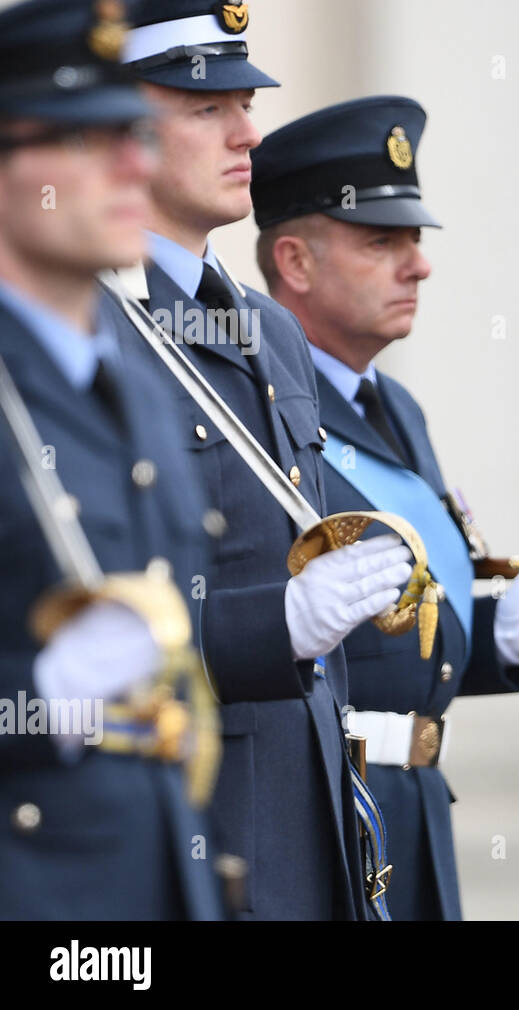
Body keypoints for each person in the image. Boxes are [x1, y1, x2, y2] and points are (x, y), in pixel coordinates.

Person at [249, 95, 519, 919]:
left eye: (416, 241)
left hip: (414, 811)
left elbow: (390, 631)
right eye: (380, 242)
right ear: (294, 261)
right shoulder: (251, 409)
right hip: (319, 812)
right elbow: (283, 635)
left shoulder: (394, 408)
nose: (418, 265)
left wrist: (495, 636)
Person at [107, 0, 412, 919]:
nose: (248, 132)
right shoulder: (92, 325)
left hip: (308, 823)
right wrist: (265, 629)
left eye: (244, 100)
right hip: (193, 831)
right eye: (207, 108)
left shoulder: (267, 329)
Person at [0, 0, 221, 919]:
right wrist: (34, 693)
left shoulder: (139, 372)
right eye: (89, 140)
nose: (136, 165)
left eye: (134, 133)